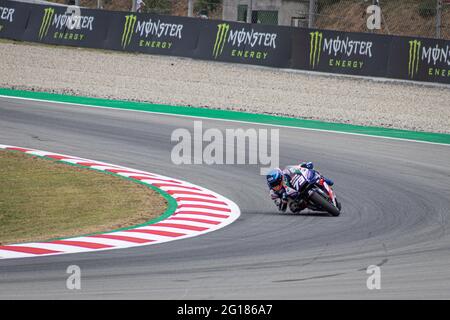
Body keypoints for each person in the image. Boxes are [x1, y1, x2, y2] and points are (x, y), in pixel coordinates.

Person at [266, 162, 334, 213]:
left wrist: (304, 166)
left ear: (281, 177)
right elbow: (281, 209)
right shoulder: (273, 193)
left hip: (299, 186)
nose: (276, 186)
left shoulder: (286, 173)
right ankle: (309, 204)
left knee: (311, 169)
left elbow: (297, 167)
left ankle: (326, 181)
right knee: (293, 209)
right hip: (296, 199)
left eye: (277, 183)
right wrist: (284, 201)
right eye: (273, 185)